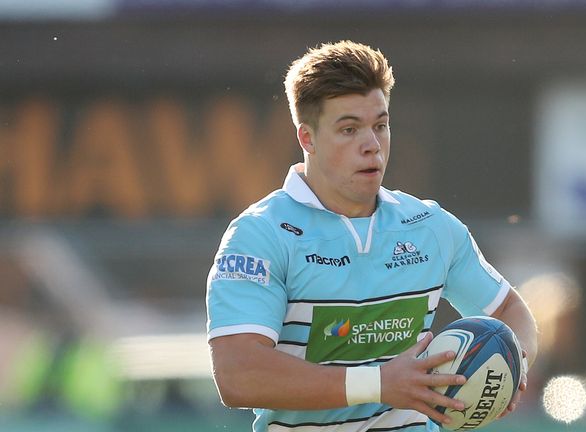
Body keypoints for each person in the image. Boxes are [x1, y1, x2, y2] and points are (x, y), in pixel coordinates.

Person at [206, 40, 538, 432]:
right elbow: (238, 374)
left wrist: (513, 364)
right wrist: (379, 385)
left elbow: (509, 311)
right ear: (307, 138)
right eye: (349, 129)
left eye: (380, 125)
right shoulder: (260, 234)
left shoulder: (430, 226)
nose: (372, 145)